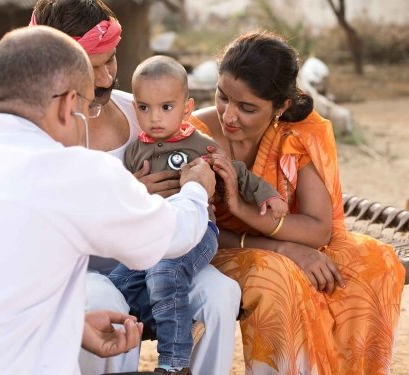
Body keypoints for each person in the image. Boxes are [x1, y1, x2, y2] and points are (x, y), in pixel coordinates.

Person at [0, 25, 218, 374]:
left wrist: (71, 323)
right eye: (87, 106)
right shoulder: (71, 171)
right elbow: (173, 236)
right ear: (69, 105)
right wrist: (195, 187)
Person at [30, 2, 242, 375]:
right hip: (82, 275)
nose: (107, 76)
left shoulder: (141, 112)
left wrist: (201, 190)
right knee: (107, 302)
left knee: (221, 294)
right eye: (92, 68)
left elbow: (195, 146)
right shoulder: (41, 135)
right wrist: (128, 199)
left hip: (161, 258)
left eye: (110, 60)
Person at [190, 29, 406, 374]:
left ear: (282, 106)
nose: (229, 116)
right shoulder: (193, 134)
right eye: (222, 97)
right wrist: (284, 250)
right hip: (213, 249)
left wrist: (247, 211)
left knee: (374, 262)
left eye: (247, 108)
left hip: (282, 239)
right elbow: (192, 230)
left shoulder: (300, 134)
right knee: (278, 276)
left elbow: (319, 230)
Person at [108, 55, 287, 375]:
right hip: (153, 235)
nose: (155, 118)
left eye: (166, 107)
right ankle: (161, 324)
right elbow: (121, 197)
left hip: (198, 233)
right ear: (136, 110)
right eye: (145, 108)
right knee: (117, 283)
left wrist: (268, 195)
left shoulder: (199, 144)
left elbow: (237, 172)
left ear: (186, 108)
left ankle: (175, 362)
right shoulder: (136, 150)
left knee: (165, 272)